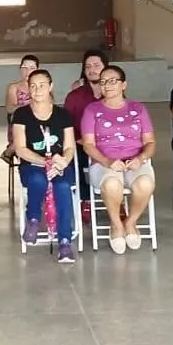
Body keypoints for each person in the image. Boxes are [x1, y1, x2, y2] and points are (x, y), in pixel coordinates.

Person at [80, 65, 156, 255]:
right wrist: (107, 162)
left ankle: (130, 222)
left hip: (135, 162)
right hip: (104, 163)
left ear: (124, 84)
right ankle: (116, 225)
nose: (107, 85)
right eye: (103, 82)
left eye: (112, 81)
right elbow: (88, 145)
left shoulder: (138, 109)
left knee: (145, 184)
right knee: (112, 184)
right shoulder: (92, 110)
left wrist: (141, 158)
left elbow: (150, 142)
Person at [11, 69, 77, 263]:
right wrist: (45, 162)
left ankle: (64, 241)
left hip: (59, 165)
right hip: (33, 164)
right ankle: (33, 218)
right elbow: (21, 149)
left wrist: (63, 160)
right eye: (33, 86)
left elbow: (69, 147)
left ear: (51, 87)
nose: (37, 90)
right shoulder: (21, 114)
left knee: (63, 187)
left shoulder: (63, 115)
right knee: (37, 179)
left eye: (42, 85)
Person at [63, 49, 108, 219]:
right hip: (81, 145)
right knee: (71, 158)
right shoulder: (75, 97)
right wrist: (81, 141)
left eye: (96, 65)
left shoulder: (114, 93)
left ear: (106, 67)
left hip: (109, 146)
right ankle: (85, 200)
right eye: (88, 66)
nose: (92, 69)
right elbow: (66, 126)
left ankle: (116, 201)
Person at [1, 54, 39, 163]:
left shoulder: (44, 86)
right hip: (19, 124)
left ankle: (9, 151)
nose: (28, 71)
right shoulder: (14, 87)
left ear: (37, 70)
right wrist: (31, 104)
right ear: (20, 69)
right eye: (24, 68)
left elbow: (49, 105)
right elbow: (10, 109)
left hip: (40, 122)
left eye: (32, 68)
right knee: (28, 127)